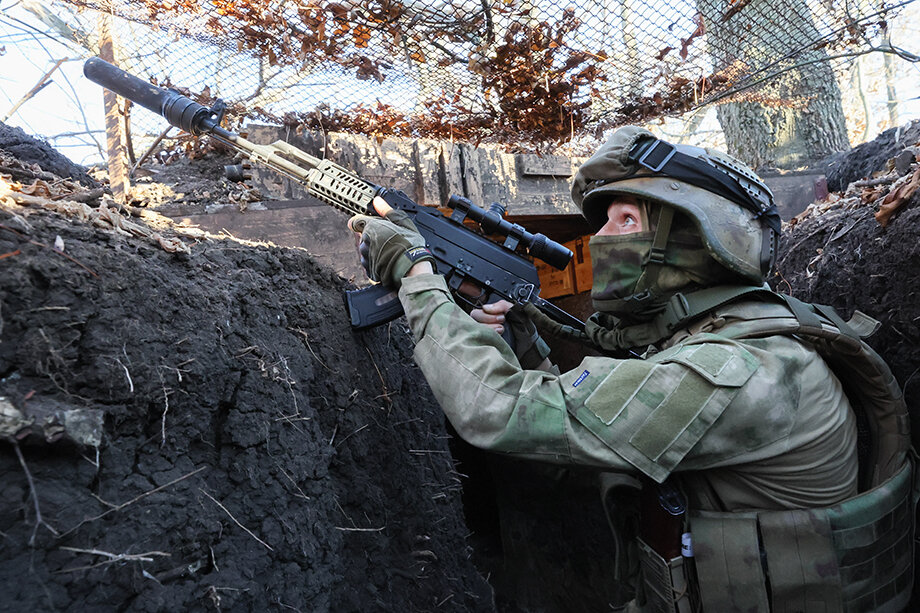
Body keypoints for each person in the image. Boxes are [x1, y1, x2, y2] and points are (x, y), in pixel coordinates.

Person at [347, 126, 914, 612]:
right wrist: (518, 329)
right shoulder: (737, 335)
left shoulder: (734, 369)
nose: (600, 238)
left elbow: (498, 410)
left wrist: (415, 275)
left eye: (624, 220)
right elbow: (578, 411)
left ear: (695, 236)